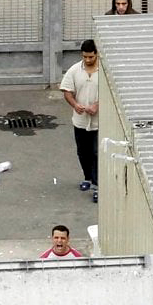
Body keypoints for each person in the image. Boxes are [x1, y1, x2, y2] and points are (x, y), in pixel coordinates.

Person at [61, 39, 100, 203]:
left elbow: (112, 94)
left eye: (91, 57)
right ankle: (87, 178)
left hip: (99, 122)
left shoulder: (105, 70)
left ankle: (99, 185)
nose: (88, 60)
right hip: (81, 121)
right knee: (83, 152)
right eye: (85, 57)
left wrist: (98, 105)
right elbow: (67, 91)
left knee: (96, 153)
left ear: (96, 54)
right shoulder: (75, 70)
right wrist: (76, 105)